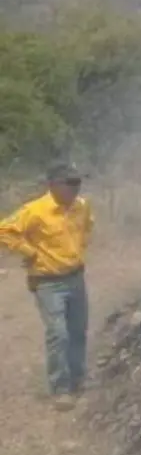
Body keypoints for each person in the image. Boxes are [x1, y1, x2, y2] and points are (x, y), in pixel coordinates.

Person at [0, 163, 93, 410]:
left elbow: (87, 228)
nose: (76, 188)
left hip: (75, 276)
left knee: (77, 330)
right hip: (47, 282)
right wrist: (29, 252)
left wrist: (77, 251)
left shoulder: (81, 207)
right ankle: (60, 388)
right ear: (53, 185)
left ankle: (78, 378)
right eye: (70, 183)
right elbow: (5, 230)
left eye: (78, 183)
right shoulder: (35, 210)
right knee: (58, 334)